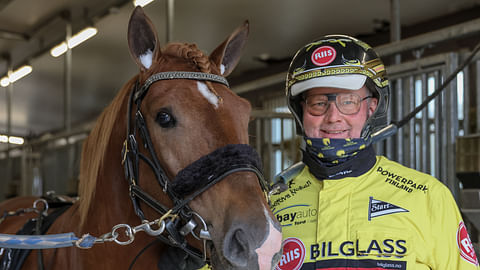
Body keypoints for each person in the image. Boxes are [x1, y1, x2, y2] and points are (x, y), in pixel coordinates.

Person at [270, 35, 479, 270]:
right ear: (301, 112)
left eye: (348, 102)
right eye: (319, 103)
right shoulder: (270, 204)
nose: (333, 116)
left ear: (372, 108)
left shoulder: (427, 196)